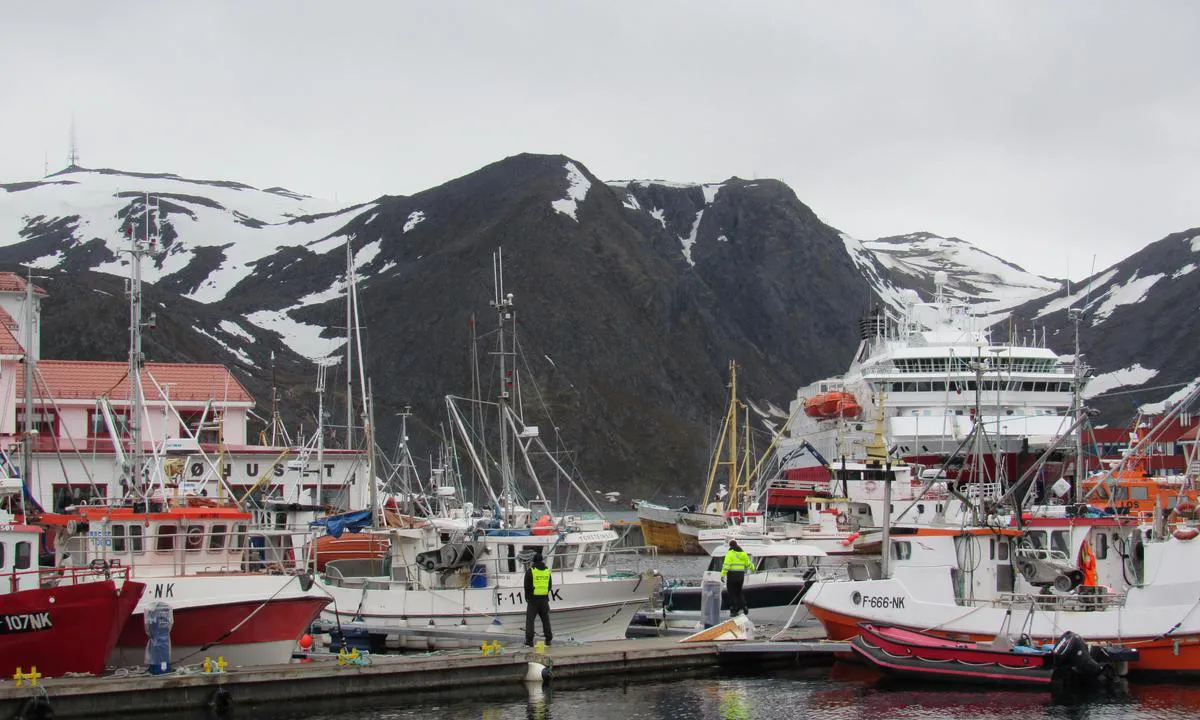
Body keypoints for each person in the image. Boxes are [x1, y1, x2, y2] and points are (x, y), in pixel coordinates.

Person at [524, 550, 553, 646]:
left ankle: (529, 641)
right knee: (545, 620)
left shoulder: (531, 571)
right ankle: (548, 639)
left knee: (530, 620)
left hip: (533, 600)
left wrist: (527, 597)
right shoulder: (547, 571)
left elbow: (527, 586)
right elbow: (549, 586)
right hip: (544, 599)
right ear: (542, 560)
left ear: (533, 561)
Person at [721, 539, 754, 617]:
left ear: (730, 546)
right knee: (739, 592)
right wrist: (753, 569)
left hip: (732, 575)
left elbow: (726, 565)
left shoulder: (730, 554)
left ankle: (734, 610)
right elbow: (748, 563)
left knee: (732, 592)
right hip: (740, 575)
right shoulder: (743, 553)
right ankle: (744, 607)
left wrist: (723, 575)